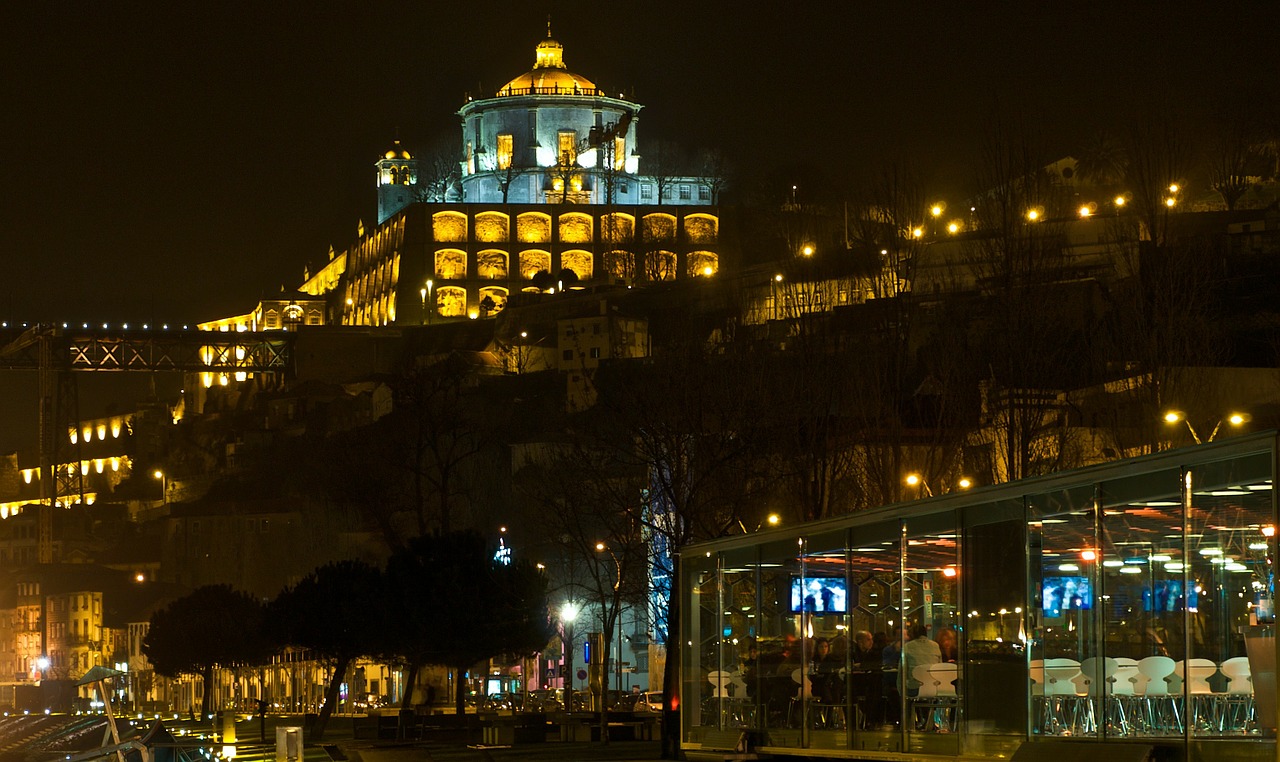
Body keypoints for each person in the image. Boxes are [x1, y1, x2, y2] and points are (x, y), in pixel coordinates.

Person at [903, 623, 942, 696]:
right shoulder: (935, 645)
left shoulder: (908, 646)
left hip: (915, 686)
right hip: (934, 686)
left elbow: (903, 670)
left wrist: (901, 692)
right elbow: (939, 667)